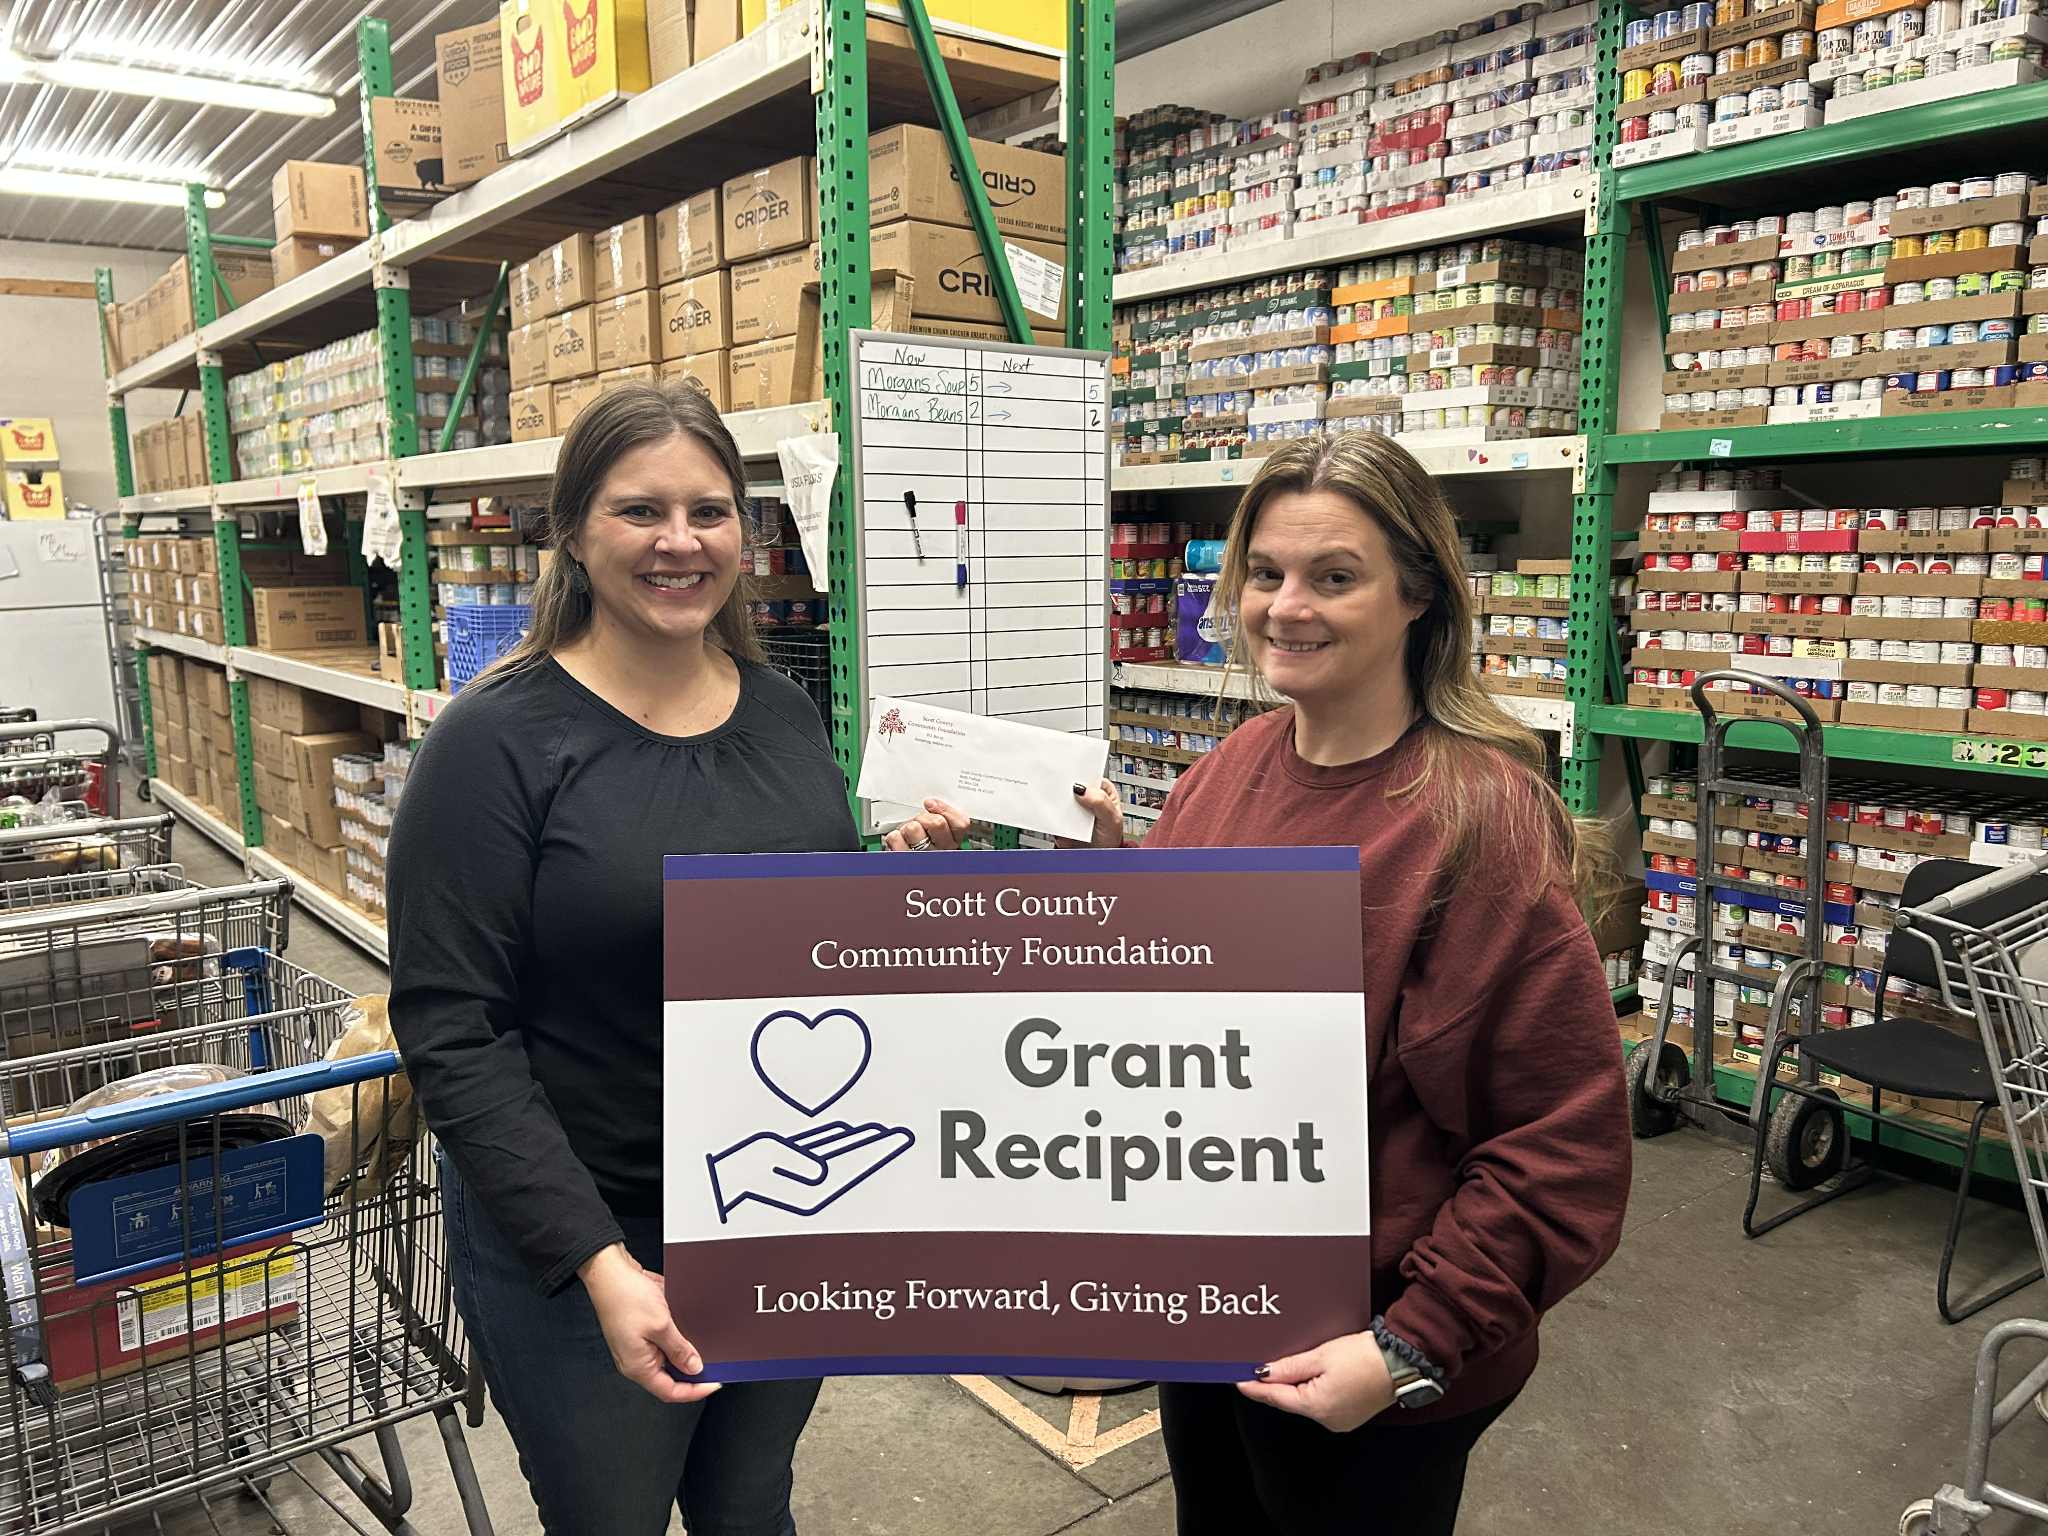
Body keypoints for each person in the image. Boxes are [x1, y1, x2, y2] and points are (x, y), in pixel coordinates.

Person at [898, 431, 1630, 1534]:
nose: (1287, 607)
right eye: (1266, 573)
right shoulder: (1229, 772)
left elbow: (1556, 1144)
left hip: (1366, 1350)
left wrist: (1409, 1346)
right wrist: (1023, 900)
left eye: (1334, 577)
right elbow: (1161, 1018)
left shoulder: (1476, 819)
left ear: (1418, 594)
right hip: (1210, 1302)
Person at [386, 383, 858, 1535]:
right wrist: (601, 1264)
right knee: (612, 1516)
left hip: (775, 1206)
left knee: (750, 1502)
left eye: (709, 511)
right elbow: (453, 1026)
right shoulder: (494, 741)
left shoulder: (783, 715)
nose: (679, 542)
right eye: (640, 510)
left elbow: (814, 940)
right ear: (570, 530)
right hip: (585, 1234)